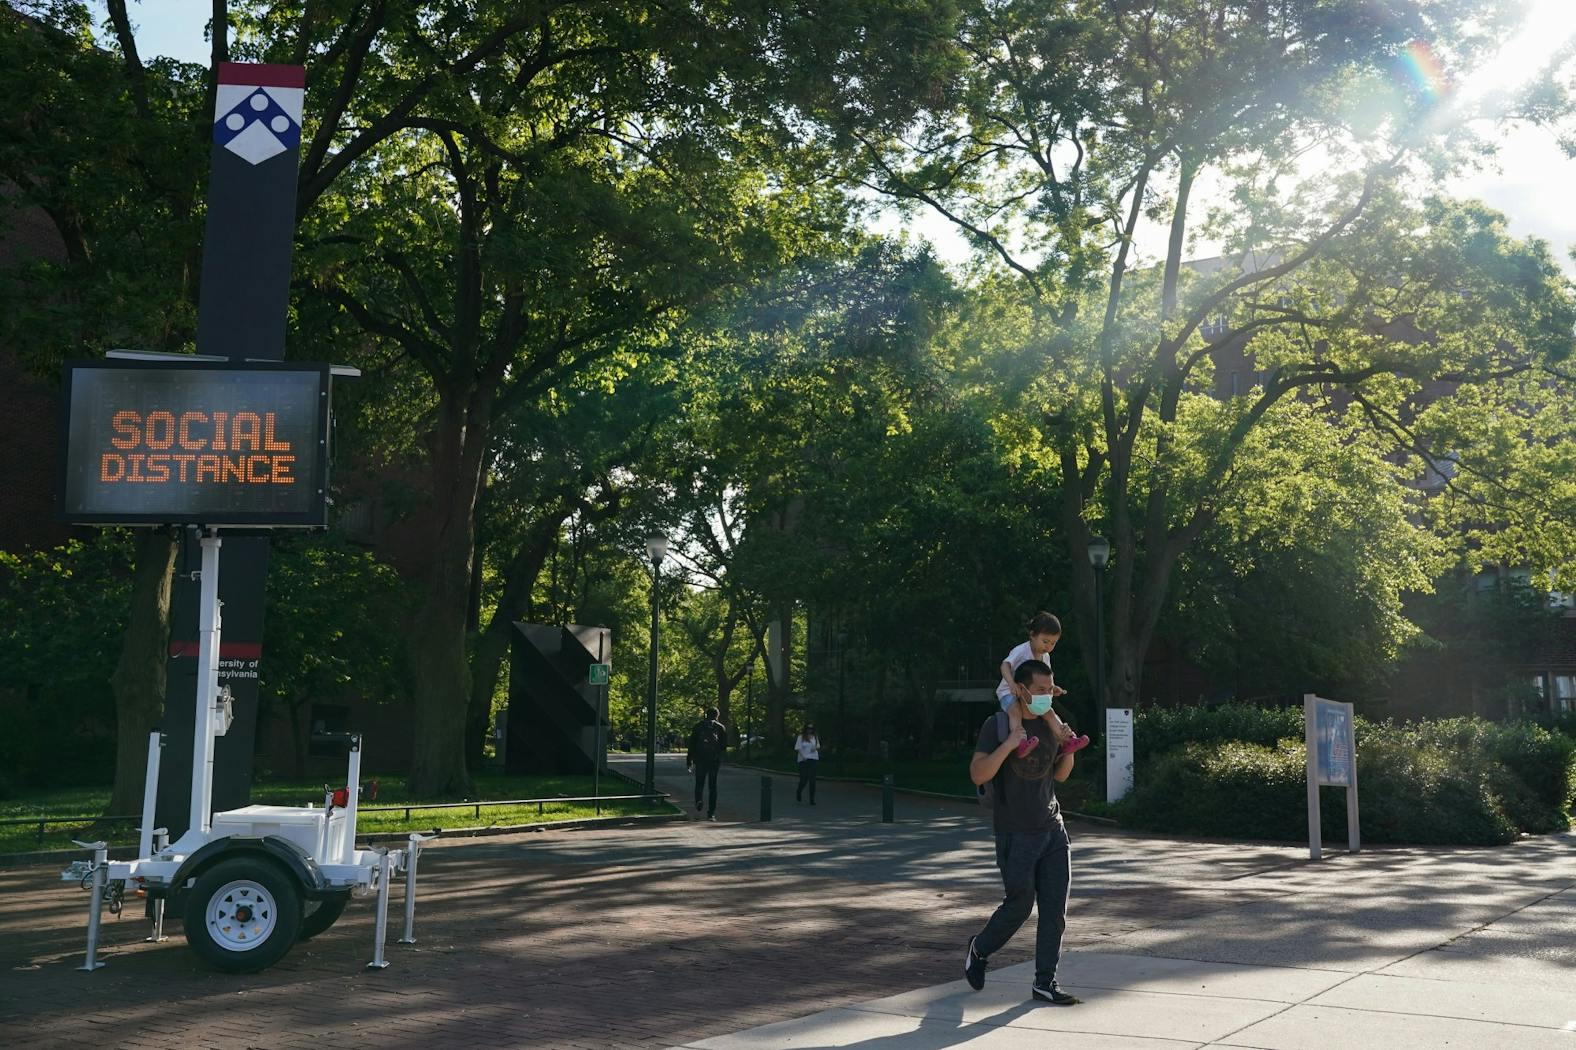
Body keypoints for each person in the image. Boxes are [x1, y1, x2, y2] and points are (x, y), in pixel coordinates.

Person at [965, 658, 1081, 1006]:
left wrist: (1068, 748)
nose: (1048, 697)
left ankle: (1045, 982)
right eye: (1041, 691)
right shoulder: (998, 724)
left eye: (1050, 689)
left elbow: (1060, 776)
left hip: (1053, 829)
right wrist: (1009, 744)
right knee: (1019, 906)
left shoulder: (1051, 725)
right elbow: (977, 774)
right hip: (1016, 833)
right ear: (1022, 689)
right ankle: (980, 948)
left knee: (1054, 910)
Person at [997, 612, 1088, 757]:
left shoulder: (1046, 657)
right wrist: (1011, 684)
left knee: (1050, 712)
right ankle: (1020, 744)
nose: (1048, 646)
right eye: (1045, 641)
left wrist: (1053, 688)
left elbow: (1046, 679)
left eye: (1053, 643)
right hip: (1009, 692)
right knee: (1015, 711)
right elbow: (1004, 665)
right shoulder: (1021, 650)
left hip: (1031, 695)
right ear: (1032, 635)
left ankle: (1067, 740)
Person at [686, 706, 727, 821]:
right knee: (712, 786)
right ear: (717, 715)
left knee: (699, 783)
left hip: (700, 759)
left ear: (706, 715)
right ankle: (711, 813)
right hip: (713, 760)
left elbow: (692, 744)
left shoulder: (698, 726)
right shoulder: (720, 727)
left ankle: (699, 800)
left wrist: (689, 760)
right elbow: (723, 746)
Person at [794, 724, 821, 804]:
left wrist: (815, 748)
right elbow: (797, 748)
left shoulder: (815, 737)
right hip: (803, 760)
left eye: (811, 729)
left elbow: (818, 745)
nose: (810, 730)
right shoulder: (801, 737)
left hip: (813, 759)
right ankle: (799, 791)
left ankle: (812, 800)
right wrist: (803, 756)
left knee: (812, 780)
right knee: (804, 779)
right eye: (808, 729)